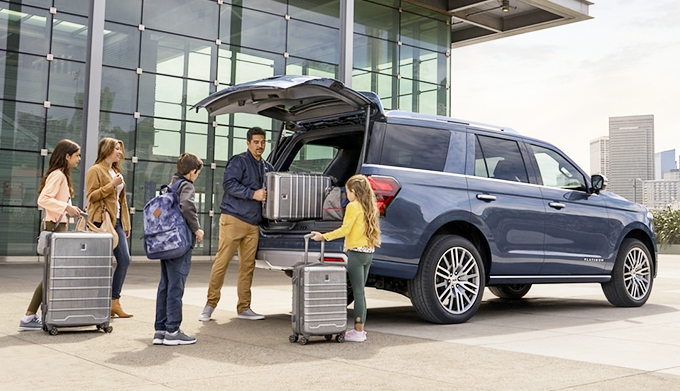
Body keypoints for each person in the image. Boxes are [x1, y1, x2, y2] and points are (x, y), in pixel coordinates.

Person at [200, 127, 273, 321]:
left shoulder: (268, 167)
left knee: (247, 267)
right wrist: (253, 194)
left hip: (253, 224)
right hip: (233, 219)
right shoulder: (238, 161)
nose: (260, 145)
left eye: (262, 142)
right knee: (221, 262)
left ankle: (244, 308)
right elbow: (229, 184)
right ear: (248, 143)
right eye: (256, 142)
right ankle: (209, 305)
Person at [19, 139, 83, 331]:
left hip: (57, 227)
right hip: (55, 228)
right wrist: (66, 207)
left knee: (52, 273)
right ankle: (29, 316)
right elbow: (43, 199)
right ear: (67, 156)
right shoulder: (58, 175)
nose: (79, 159)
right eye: (77, 155)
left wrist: (69, 209)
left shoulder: (61, 175)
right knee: (51, 274)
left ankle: (36, 315)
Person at [310, 174, 381, 342]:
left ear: (353, 191)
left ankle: (357, 332)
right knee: (360, 292)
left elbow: (345, 230)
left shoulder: (353, 206)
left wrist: (323, 237)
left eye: (347, 192)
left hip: (356, 253)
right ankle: (361, 330)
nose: (346, 196)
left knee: (357, 292)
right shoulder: (369, 206)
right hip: (368, 253)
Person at [153, 153, 205, 346]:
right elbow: (187, 205)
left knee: (165, 285)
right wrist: (196, 228)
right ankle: (173, 330)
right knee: (176, 285)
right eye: (197, 173)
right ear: (193, 171)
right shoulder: (187, 186)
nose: (197, 176)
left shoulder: (170, 185)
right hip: (179, 243)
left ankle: (160, 330)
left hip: (165, 242)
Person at [85, 138, 133, 318]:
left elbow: (123, 202)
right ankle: (100, 303)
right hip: (101, 222)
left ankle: (114, 302)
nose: (120, 152)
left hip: (117, 223)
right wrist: (111, 185)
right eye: (116, 149)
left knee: (125, 260)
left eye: (120, 149)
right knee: (102, 265)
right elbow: (91, 197)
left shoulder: (116, 171)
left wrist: (126, 224)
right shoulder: (95, 170)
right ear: (107, 150)